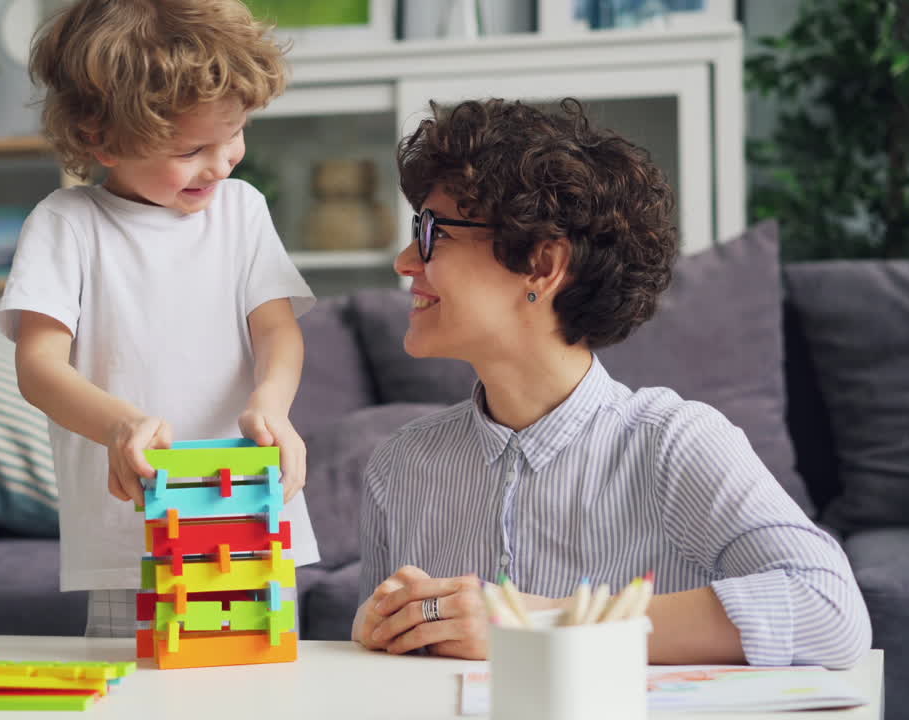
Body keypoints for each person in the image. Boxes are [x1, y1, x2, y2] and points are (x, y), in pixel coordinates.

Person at [351, 98, 871, 668]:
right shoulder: (400, 467)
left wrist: (539, 626)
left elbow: (830, 612)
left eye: (433, 232)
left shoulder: (674, 444)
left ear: (543, 265)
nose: (405, 261)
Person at [0, 0, 318, 638]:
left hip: (247, 505)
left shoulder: (242, 211)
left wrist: (272, 404)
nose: (223, 160)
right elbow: (38, 368)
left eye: (235, 133)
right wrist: (121, 426)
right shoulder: (66, 224)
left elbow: (278, 331)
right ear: (99, 138)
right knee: (139, 686)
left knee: (261, 683)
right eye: (193, 147)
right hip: (133, 526)